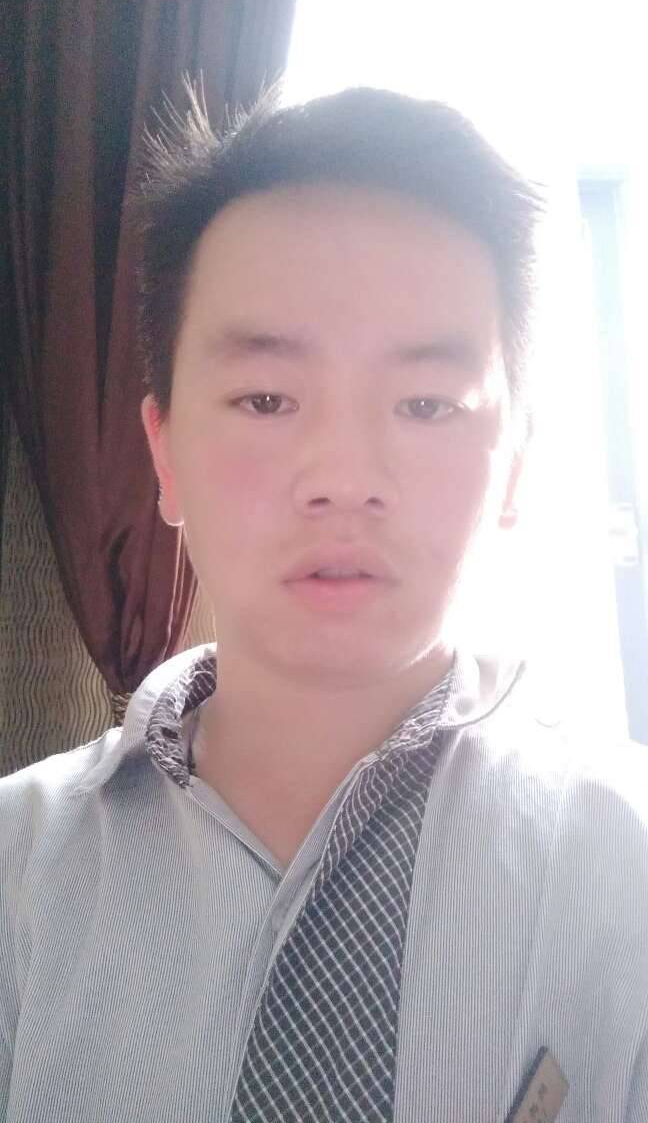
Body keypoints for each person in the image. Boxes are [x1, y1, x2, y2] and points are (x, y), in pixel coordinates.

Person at [1, 83, 647, 1123]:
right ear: (164, 455)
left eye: (426, 404)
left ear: (515, 466)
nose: (345, 477)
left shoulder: (628, 861)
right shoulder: (17, 871)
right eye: (265, 399)